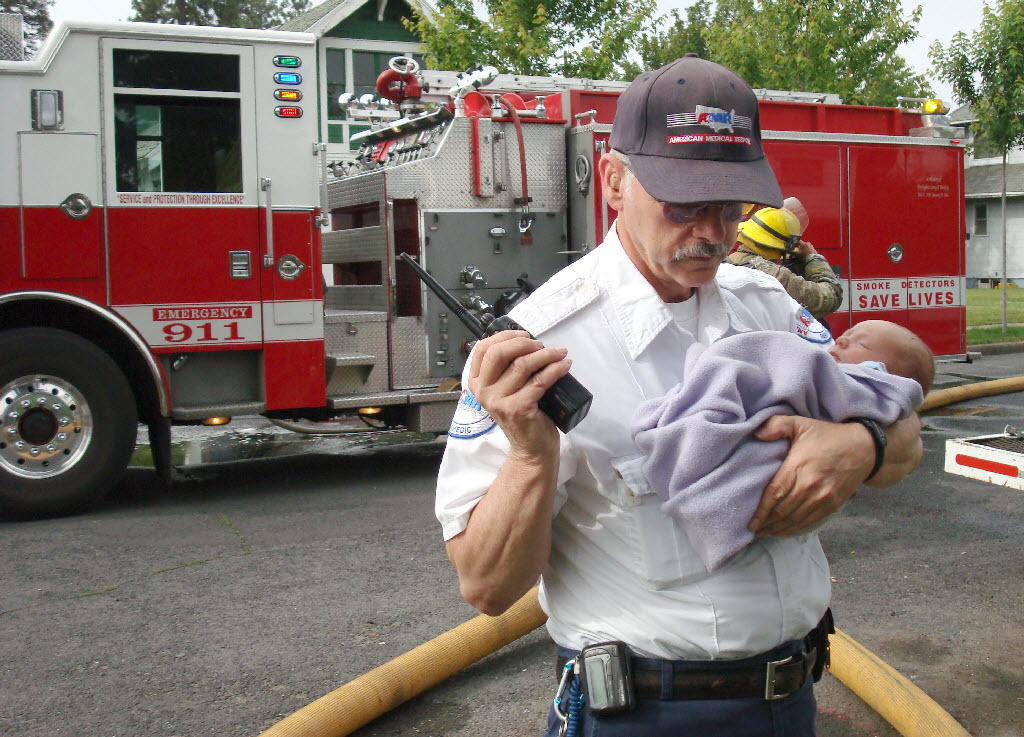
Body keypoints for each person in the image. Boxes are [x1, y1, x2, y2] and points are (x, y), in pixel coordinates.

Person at [434, 53, 922, 736]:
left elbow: (904, 430)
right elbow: (486, 587)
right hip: (644, 716)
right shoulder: (539, 348)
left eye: (730, 205)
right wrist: (530, 457)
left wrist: (861, 443)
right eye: (685, 203)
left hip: (790, 701)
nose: (714, 233)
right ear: (613, 180)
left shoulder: (768, 307)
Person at [631, 320, 935, 573]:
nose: (841, 340)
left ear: (882, 373)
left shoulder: (769, 295)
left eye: (862, 344)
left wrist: (863, 441)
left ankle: (719, 499)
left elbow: (908, 429)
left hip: (806, 617)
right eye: (846, 334)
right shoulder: (593, 333)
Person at [728, 200, 844, 321]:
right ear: (785, 247)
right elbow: (831, 296)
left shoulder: (726, 264)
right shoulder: (776, 276)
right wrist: (814, 258)